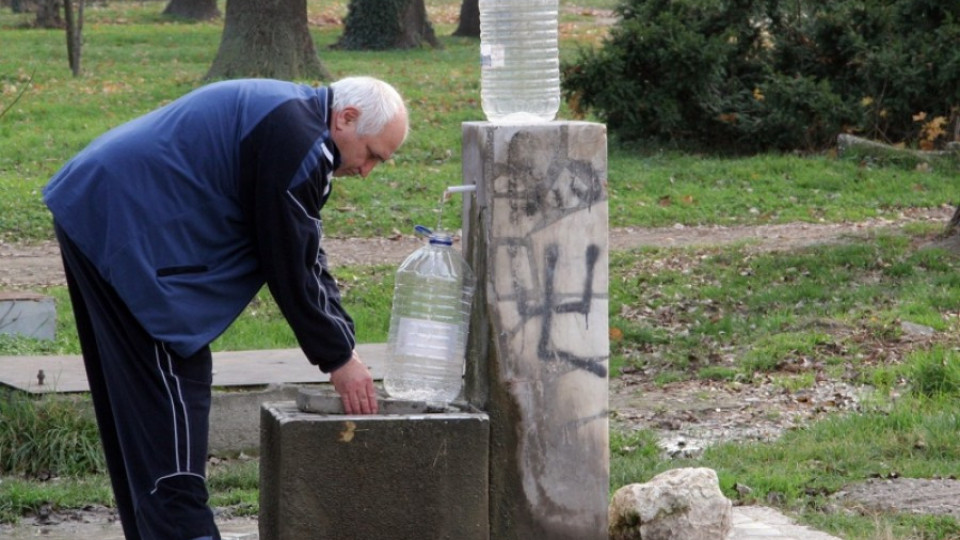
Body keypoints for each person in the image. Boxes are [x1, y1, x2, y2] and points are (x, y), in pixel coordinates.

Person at [42, 76, 408, 540]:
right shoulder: (299, 141)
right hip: (126, 225)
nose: (367, 170)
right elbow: (291, 262)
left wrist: (342, 345)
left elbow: (305, 250)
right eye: (372, 154)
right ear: (347, 118)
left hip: (100, 205)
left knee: (144, 412)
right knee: (169, 405)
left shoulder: (296, 120)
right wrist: (339, 358)